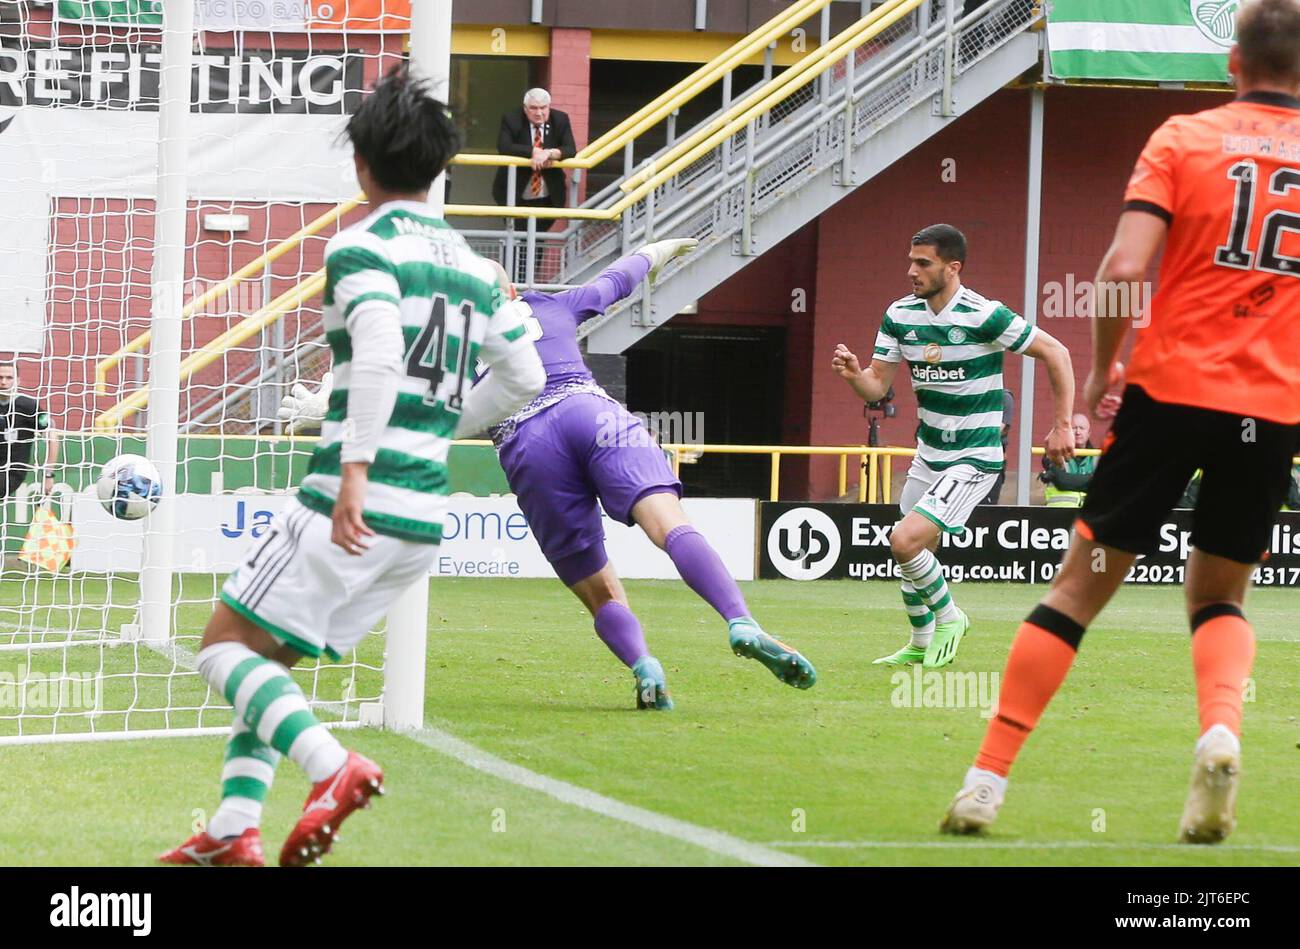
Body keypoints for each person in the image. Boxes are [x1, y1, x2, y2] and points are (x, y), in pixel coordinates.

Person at [161, 67, 545, 868]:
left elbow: (373, 354)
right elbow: (526, 380)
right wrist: (433, 431)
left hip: (350, 499)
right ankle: (233, 833)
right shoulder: (476, 268)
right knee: (270, 667)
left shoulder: (361, 247)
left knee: (222, 649)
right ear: (439, 167)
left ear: (362, 164)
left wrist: (362, 469)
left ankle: (335, 769)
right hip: (423, 517)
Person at [940, 0, 1300, 844]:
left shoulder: (1183, 138)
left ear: (1232, 66)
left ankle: (986, 781)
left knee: (1076, 591)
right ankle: (1220, 730)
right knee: (1219, 596)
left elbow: (1124, 267)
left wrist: (1104, 372)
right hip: (1271, 410)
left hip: (1168, 394)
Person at [286, 242, 818, 708]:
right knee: (670, 525)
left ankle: (645, 666)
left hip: (527, 445)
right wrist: (657, 250)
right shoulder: (549, 303)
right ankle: (739, 620)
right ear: (513, 291)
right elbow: (619, 279)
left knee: (600, 590)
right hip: (590, 411)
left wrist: (326, 408)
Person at [832, 224, 1075, 670]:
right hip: (928, 454)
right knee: (917, 552)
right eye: (910, 261)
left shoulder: (985, 315)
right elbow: (876, 388)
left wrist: (1062, 426)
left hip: (973, 458)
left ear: (953, 267)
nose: (911, 271)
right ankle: (921, 641)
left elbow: (1057, 353)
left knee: (903, 541)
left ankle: (951, 617)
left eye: (923, 263)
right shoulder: (900, 315)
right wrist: (854, 377)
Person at [492, 89, 578, 232]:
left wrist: (549, 153)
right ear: (525, 109)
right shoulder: (512, 119)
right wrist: (534, 151)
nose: (538, 113)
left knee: (539, 239)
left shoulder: (560, 119)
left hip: (548, 194)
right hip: (515, 192)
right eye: (533, 108)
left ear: (549, 106)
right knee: (516, 238)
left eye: (543, 108)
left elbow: (570, 149)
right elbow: (504, 146)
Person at [1, 361, 58, 500]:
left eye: (9, 378)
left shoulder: (29, 405)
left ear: (18, 381)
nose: (3, 382)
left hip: (11, 472)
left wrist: (48, 474)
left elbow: (52, 436)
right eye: (0, 377)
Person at [1039, 412, 1096, 507]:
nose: (1078, 432)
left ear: (1089, 433)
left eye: (1082, 428)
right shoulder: (1054, 453)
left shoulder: (1098, 457)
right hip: (1060, 513)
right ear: (1068, 431)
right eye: (1074, 428)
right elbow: (1062, 481)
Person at [980, 389, 1014, 505]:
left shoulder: (1004, 397)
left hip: (990, 463)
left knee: (987, 507)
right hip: (962, 461)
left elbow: (1000, 429)